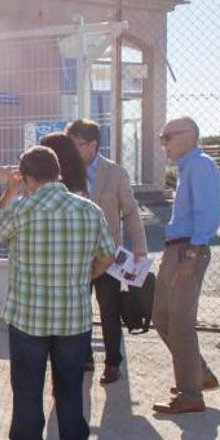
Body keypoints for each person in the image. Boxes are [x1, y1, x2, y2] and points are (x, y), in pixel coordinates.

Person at [0, 146, 116, 440]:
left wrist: (8, 193)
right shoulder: (89, 210)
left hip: (28, 318)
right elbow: (108, 256)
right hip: (73, 318)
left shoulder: (21, 210)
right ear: (58, 173)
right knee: (70, 385)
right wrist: (85, 279)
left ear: (26, 177)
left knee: (27, 385)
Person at [66, 119, 149, 385]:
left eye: (76, 144)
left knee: (109, 310)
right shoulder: (65, 173)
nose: (71, 150)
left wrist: (139, 247)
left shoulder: (114, 173)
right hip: (76, 257)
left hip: (108, 256)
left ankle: (113, 362)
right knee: (78, 310)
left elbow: (131, 211)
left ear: (93, 144)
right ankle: (85, 356)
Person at [153, 117, 220, 415]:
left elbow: (207, 213)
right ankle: (198, 375)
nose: (163, 143)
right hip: (176, 249)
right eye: (161, 137)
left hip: (187, 250)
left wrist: (191, 256)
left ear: (190, 135)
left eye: (167, 136)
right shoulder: (187, 167)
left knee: (179, 324)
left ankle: (190, 394)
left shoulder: (200, 165)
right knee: (161, 317)